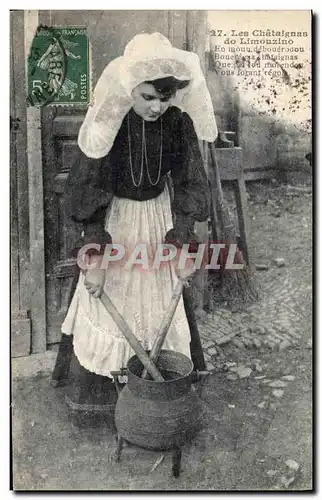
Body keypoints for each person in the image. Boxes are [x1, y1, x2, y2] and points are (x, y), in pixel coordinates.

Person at [52, 32, 218, 415]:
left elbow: (190, 181)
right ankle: (105, 398)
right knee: (115, 296)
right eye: (147, 97)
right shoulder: (113, 121)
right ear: (130, 89)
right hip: (119, 220)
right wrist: (95, 259)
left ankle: (158, 391)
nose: (157, 107)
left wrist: (182, 245)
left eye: (164, 98)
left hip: (158, 218)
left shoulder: (177, 123)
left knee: (160, 300)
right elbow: (90, 193)